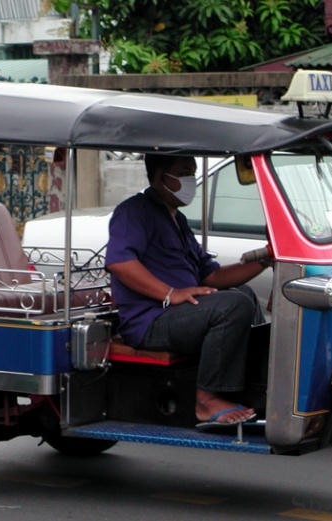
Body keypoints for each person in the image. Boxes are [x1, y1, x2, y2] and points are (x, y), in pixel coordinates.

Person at [105, 154, 269, 428]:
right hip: (151, 321)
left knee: (245, 296)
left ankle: (244, 386)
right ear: (159, 177)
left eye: (192, 173)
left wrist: (265, 260)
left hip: (180, 315)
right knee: (233, 306)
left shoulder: (176, 220)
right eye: (184, 173)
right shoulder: (134, 211)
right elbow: (119, 262)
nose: (190, 180)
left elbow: (213, 276)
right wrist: (171, 293)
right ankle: (204, 399)